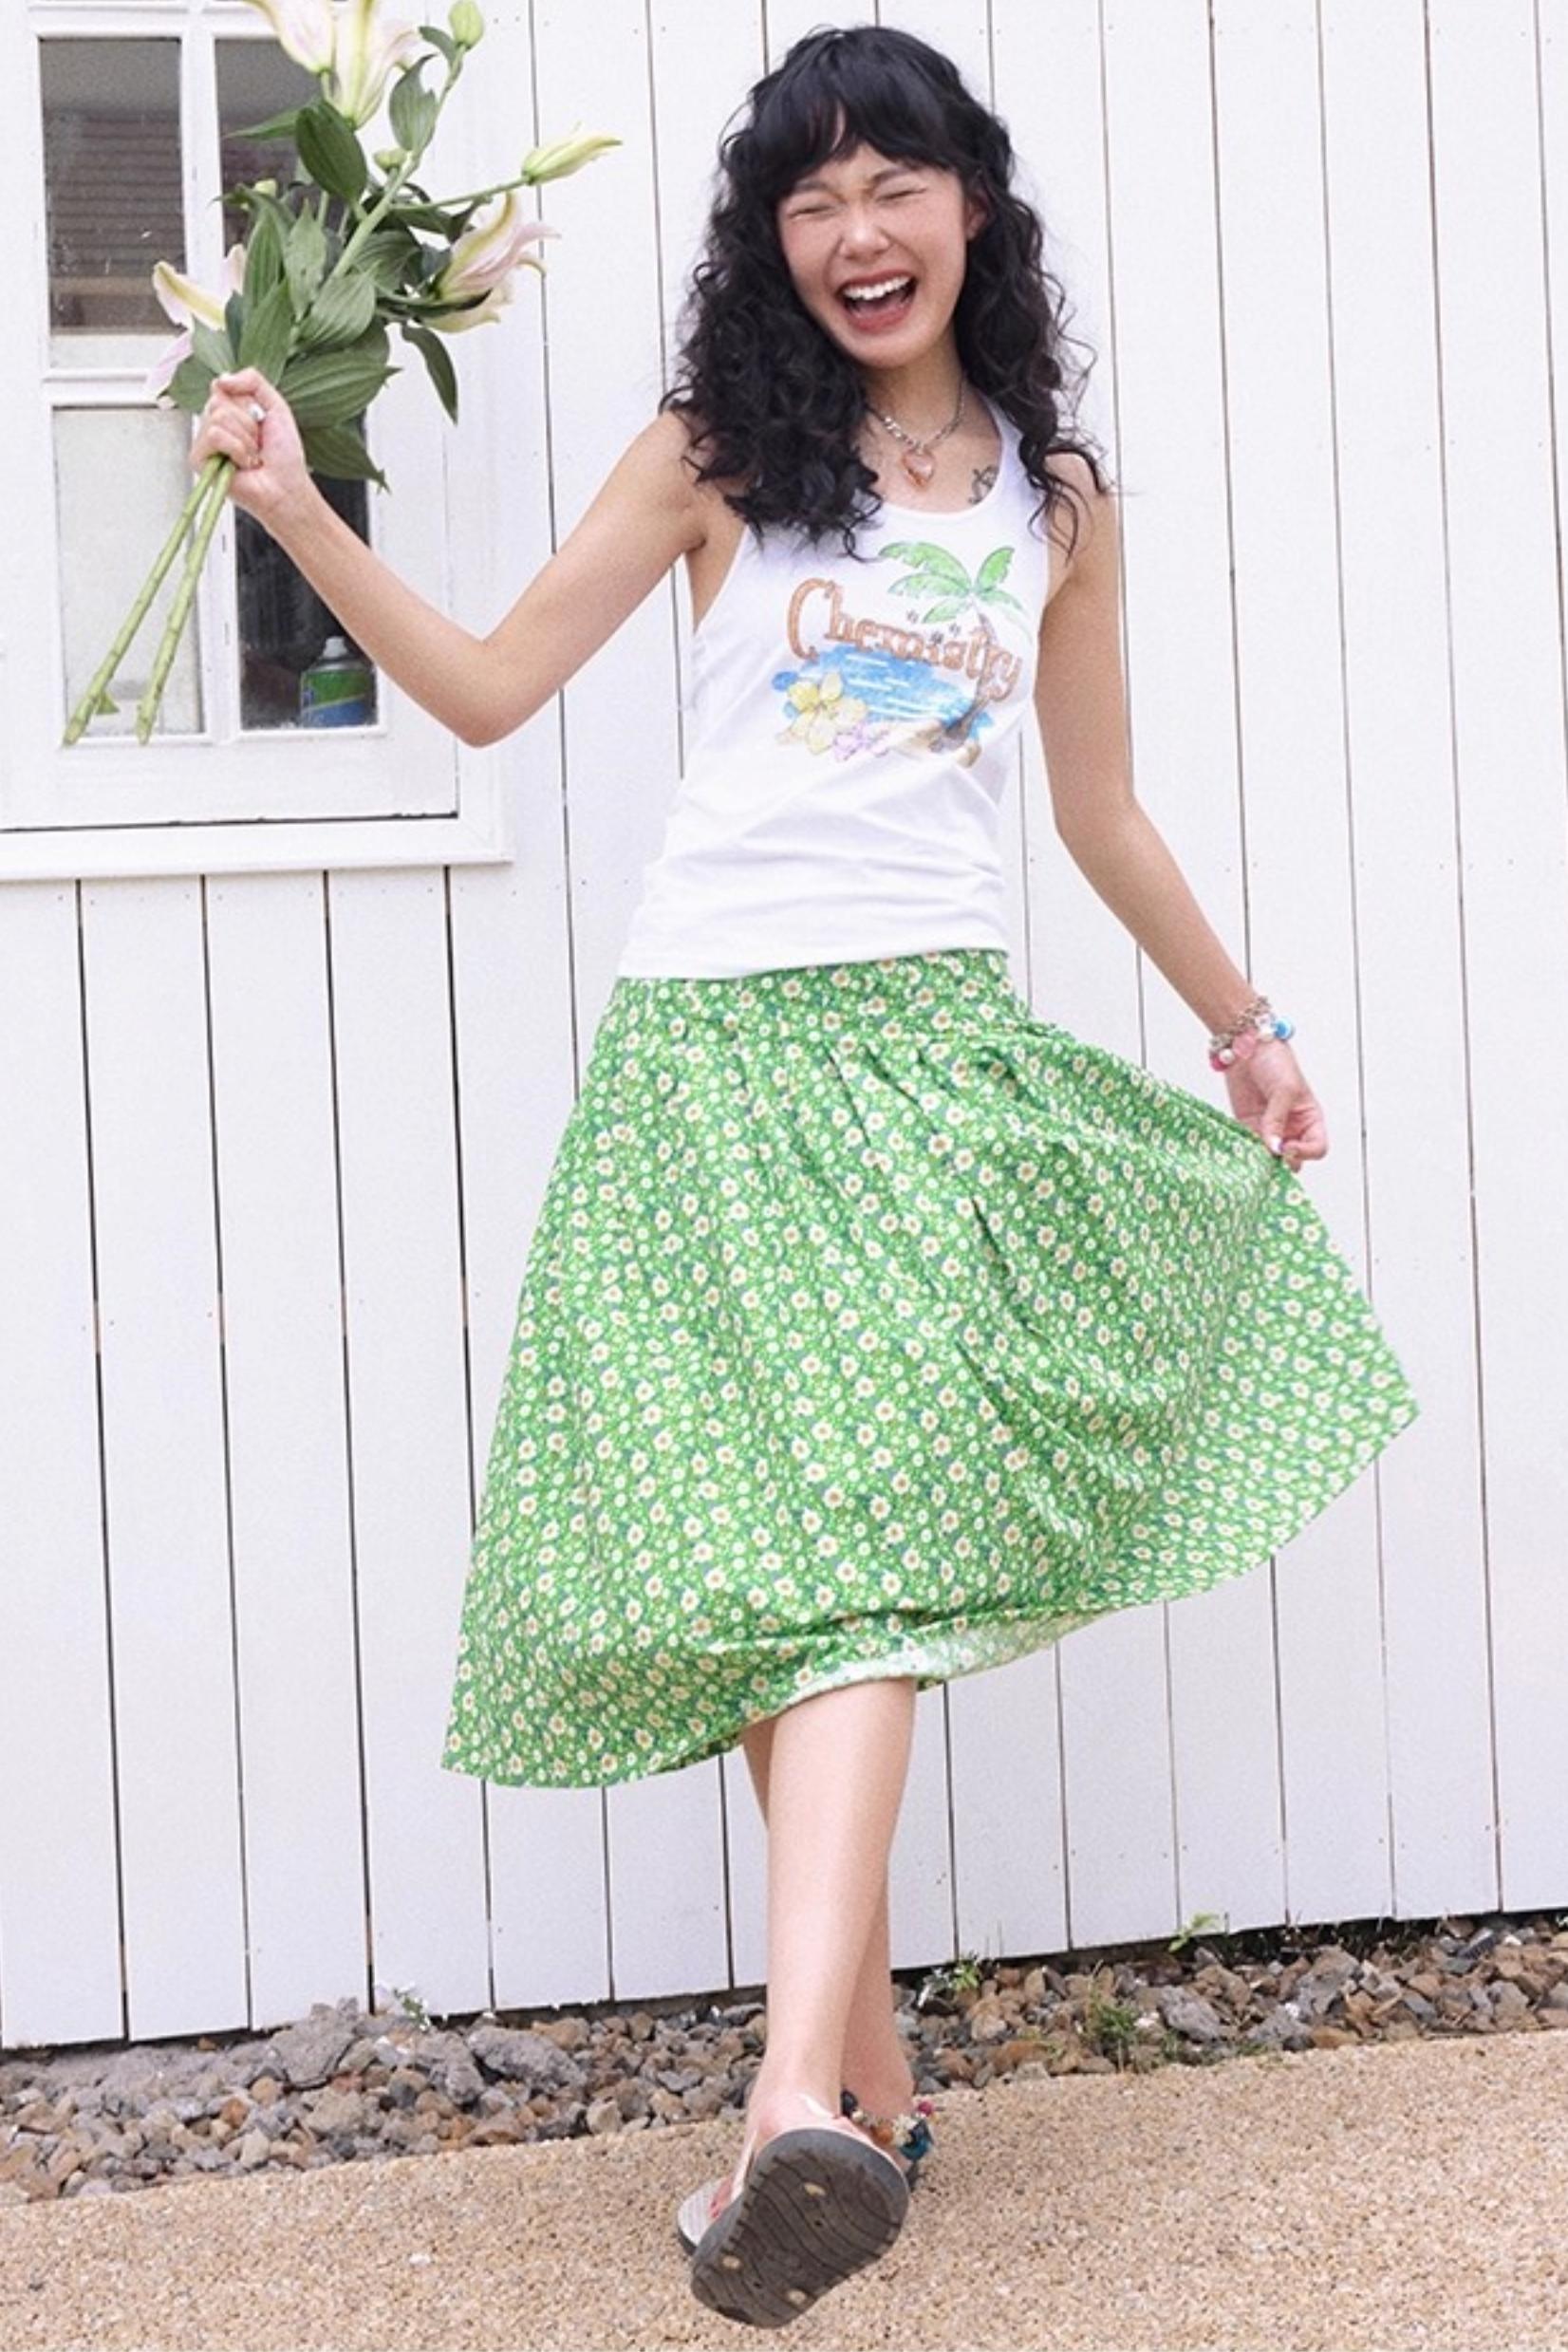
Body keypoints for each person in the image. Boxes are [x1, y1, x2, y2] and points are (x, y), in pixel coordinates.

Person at [193, 23, 1421, 2330]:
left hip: (918, 1064)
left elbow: (1096, 809)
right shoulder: (717, 457)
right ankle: (874, 2088)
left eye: (894, 184)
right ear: (773, 242)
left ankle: (785, 2113)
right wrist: (293, 510)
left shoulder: (1052, 502)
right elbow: (488, 687)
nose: (857, 232)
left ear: (974, 209)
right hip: (702, 1067)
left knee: (850, 1573)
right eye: (810, 198)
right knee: (783, 1585)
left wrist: (1242, 1024)